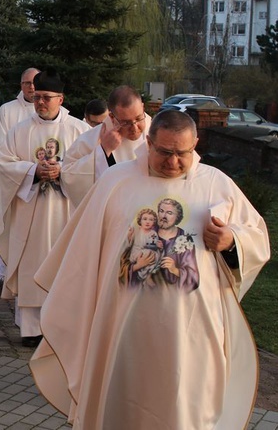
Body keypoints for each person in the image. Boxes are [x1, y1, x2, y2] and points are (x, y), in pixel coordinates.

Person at [30, 110, 270, 429]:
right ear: (149, 142)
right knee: (120, 405)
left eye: (181, 153)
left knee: (183, 409)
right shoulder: (116, 182)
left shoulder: (217, 185)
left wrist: (230, 240)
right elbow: (84, 252)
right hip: (121, 327)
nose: (172, 161)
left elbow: (257, 237)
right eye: (164, 152)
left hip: (190, 332)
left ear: (195, 144)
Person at [0, 69, 89, 347]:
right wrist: (33, 171)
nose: (41, 102)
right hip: (30, 213)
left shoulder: (79, 131)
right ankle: (31, 329)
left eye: (47, 97)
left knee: (63, 267)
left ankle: (60, 327)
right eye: (37, 97)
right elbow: (4, 163)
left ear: (61, 98)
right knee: (31, 266)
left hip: (65, 213)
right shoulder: (20, 130)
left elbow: (91, 170)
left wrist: (63, 172)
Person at [0, 67, 46, 281]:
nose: (32, 87)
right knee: (13, 225)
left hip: (44, 181)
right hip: (17, 179)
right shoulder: (8, 110)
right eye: (27, 83)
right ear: (21, 85)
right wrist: (26, 168)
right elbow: (1, 146)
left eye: (35, 83)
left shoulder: (49, 110)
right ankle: (8, 271)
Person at [62, 85, 151, 208]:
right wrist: (103, 151)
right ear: (112, 117)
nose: (135, 128)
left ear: (142, 107)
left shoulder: (155, 132)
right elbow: (69, 176)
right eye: (126, 122)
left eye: (139, 118)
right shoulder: (91, 139)